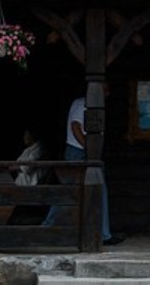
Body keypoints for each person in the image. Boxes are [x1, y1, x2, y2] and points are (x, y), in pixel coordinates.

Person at [64, 89, 124, 245]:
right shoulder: (81, 103)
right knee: (71, 192)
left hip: (85, 151)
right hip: (78, 151)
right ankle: (49, 227)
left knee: (94, 191)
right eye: (105, 90)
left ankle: (103, 234)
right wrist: (89, 148)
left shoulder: (95, 106)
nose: (107, 94)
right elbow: (75, 126)